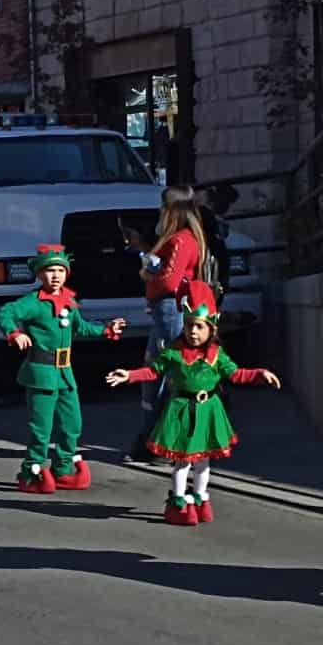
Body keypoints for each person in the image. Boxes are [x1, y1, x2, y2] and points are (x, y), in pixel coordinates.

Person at [106, 282, 281, 525]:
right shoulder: (174, 353)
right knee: (182, 460)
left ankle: (200, 496)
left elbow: (236, 374)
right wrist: (130, 375)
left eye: (199, 327)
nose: (193, 332)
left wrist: (259, 374)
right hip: (182, 411)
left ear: (211, 329)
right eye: (189, 326)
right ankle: (178, 498)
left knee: (203, 460)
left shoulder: (216, 356)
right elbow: (153, 371)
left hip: (209, 411)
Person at [0, 245, 126, 493]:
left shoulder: (68, 299)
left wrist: (106, 329)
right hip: (41, 372)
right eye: (49, 270)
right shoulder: (33, 303)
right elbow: (6, 312)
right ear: (38, 274)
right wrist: (14, 332)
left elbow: (81, 327)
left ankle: (63, 466)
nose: (55, 276)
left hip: (65, 374)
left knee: (72, 424)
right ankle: (31, 469)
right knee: (41, 428)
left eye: (60, 270)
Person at [125, 187, 206, 463]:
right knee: (156, 371)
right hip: (167, 311)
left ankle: (164, 439)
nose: (159, 213)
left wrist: (148, 273)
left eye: (163, 208)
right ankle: (154, 437)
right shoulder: (181, 240)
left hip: (170, 310)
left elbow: (169, 281)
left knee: (165, 374)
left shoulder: (181, 240)